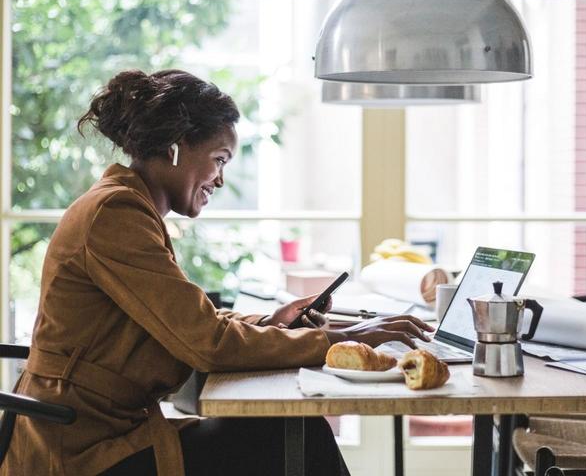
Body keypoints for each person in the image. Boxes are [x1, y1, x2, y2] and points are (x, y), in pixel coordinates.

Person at [3, 69, 434, 476]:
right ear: (175, 146)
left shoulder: (127, 206)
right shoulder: (116, 214)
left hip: (107, 434)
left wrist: (270, 322)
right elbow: (207, 344)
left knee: (291, 430)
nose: (221, 180)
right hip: (81, 453)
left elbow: (189, 320)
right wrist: (342, 340)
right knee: (290, 431)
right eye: (219, 159)